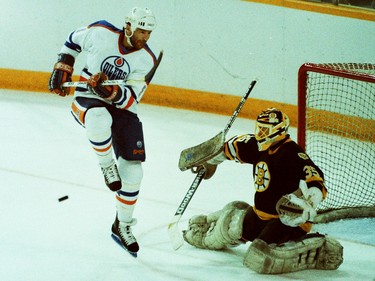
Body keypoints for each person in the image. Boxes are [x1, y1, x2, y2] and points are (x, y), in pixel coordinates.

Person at [48, 7, 159, 257]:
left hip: (120, 107)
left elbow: (131, 100)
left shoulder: (146, 59)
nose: (145, 37)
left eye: (149, 32)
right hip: (87, 100)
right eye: (141, 30)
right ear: (128, 26)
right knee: (99, 117)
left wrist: (111, 93)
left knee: (133, 172)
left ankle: (122, 225)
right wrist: (63, 64)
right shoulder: (101, 32)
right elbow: (72, 40)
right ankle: (107, 165)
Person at [182, 107, 343, 274]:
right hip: (260, 215)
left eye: (265, 129)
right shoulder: (258, 146)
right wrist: (210, 161)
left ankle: (316, 244)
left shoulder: (291, 154)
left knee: (260, 257)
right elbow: (229, 148)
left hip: (286, 221)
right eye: (259, 128)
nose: (260, 133)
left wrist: (310, 198)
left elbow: (314, 178)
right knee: (230, 226)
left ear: (279, 130)